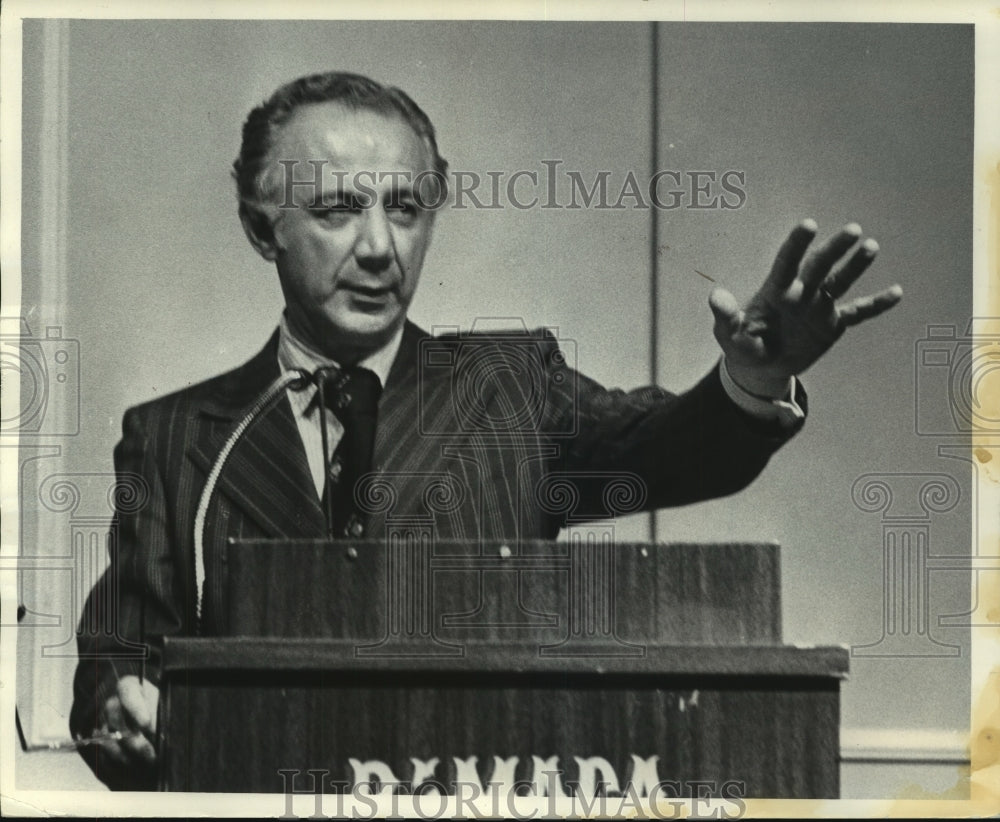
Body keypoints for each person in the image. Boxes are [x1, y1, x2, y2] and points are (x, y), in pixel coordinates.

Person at [70, 71, 902, 790]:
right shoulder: (177, 436)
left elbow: (668, 451)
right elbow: (119, 652)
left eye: (404, 208)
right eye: (335, 210)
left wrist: (753, 380)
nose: (378, 248)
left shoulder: (510, 393)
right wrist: (120, 702)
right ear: (261, 228)